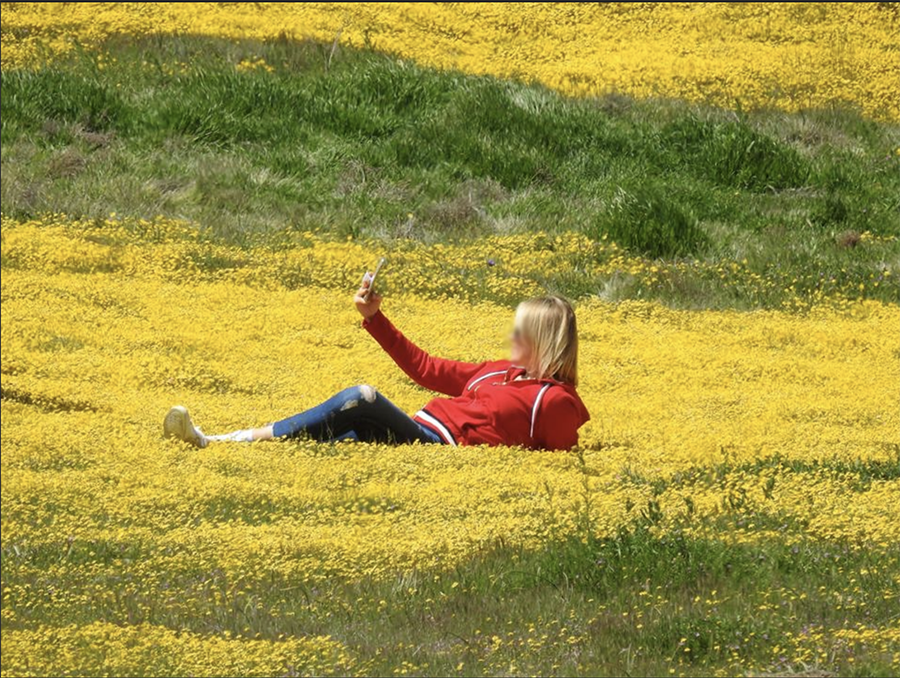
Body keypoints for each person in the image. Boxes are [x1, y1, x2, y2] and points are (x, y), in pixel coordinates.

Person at [164, 278, 590, 451]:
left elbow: (558, 456)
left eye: (522, 331)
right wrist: (374, 318)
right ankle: (214, 443)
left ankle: (220, 441)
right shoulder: (499, 371)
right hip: (415, 430)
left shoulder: (553, 402)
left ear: (545, 340)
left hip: (438, 450)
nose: (513, 338)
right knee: (336, 432)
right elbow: (426, 368)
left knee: (361, 399)